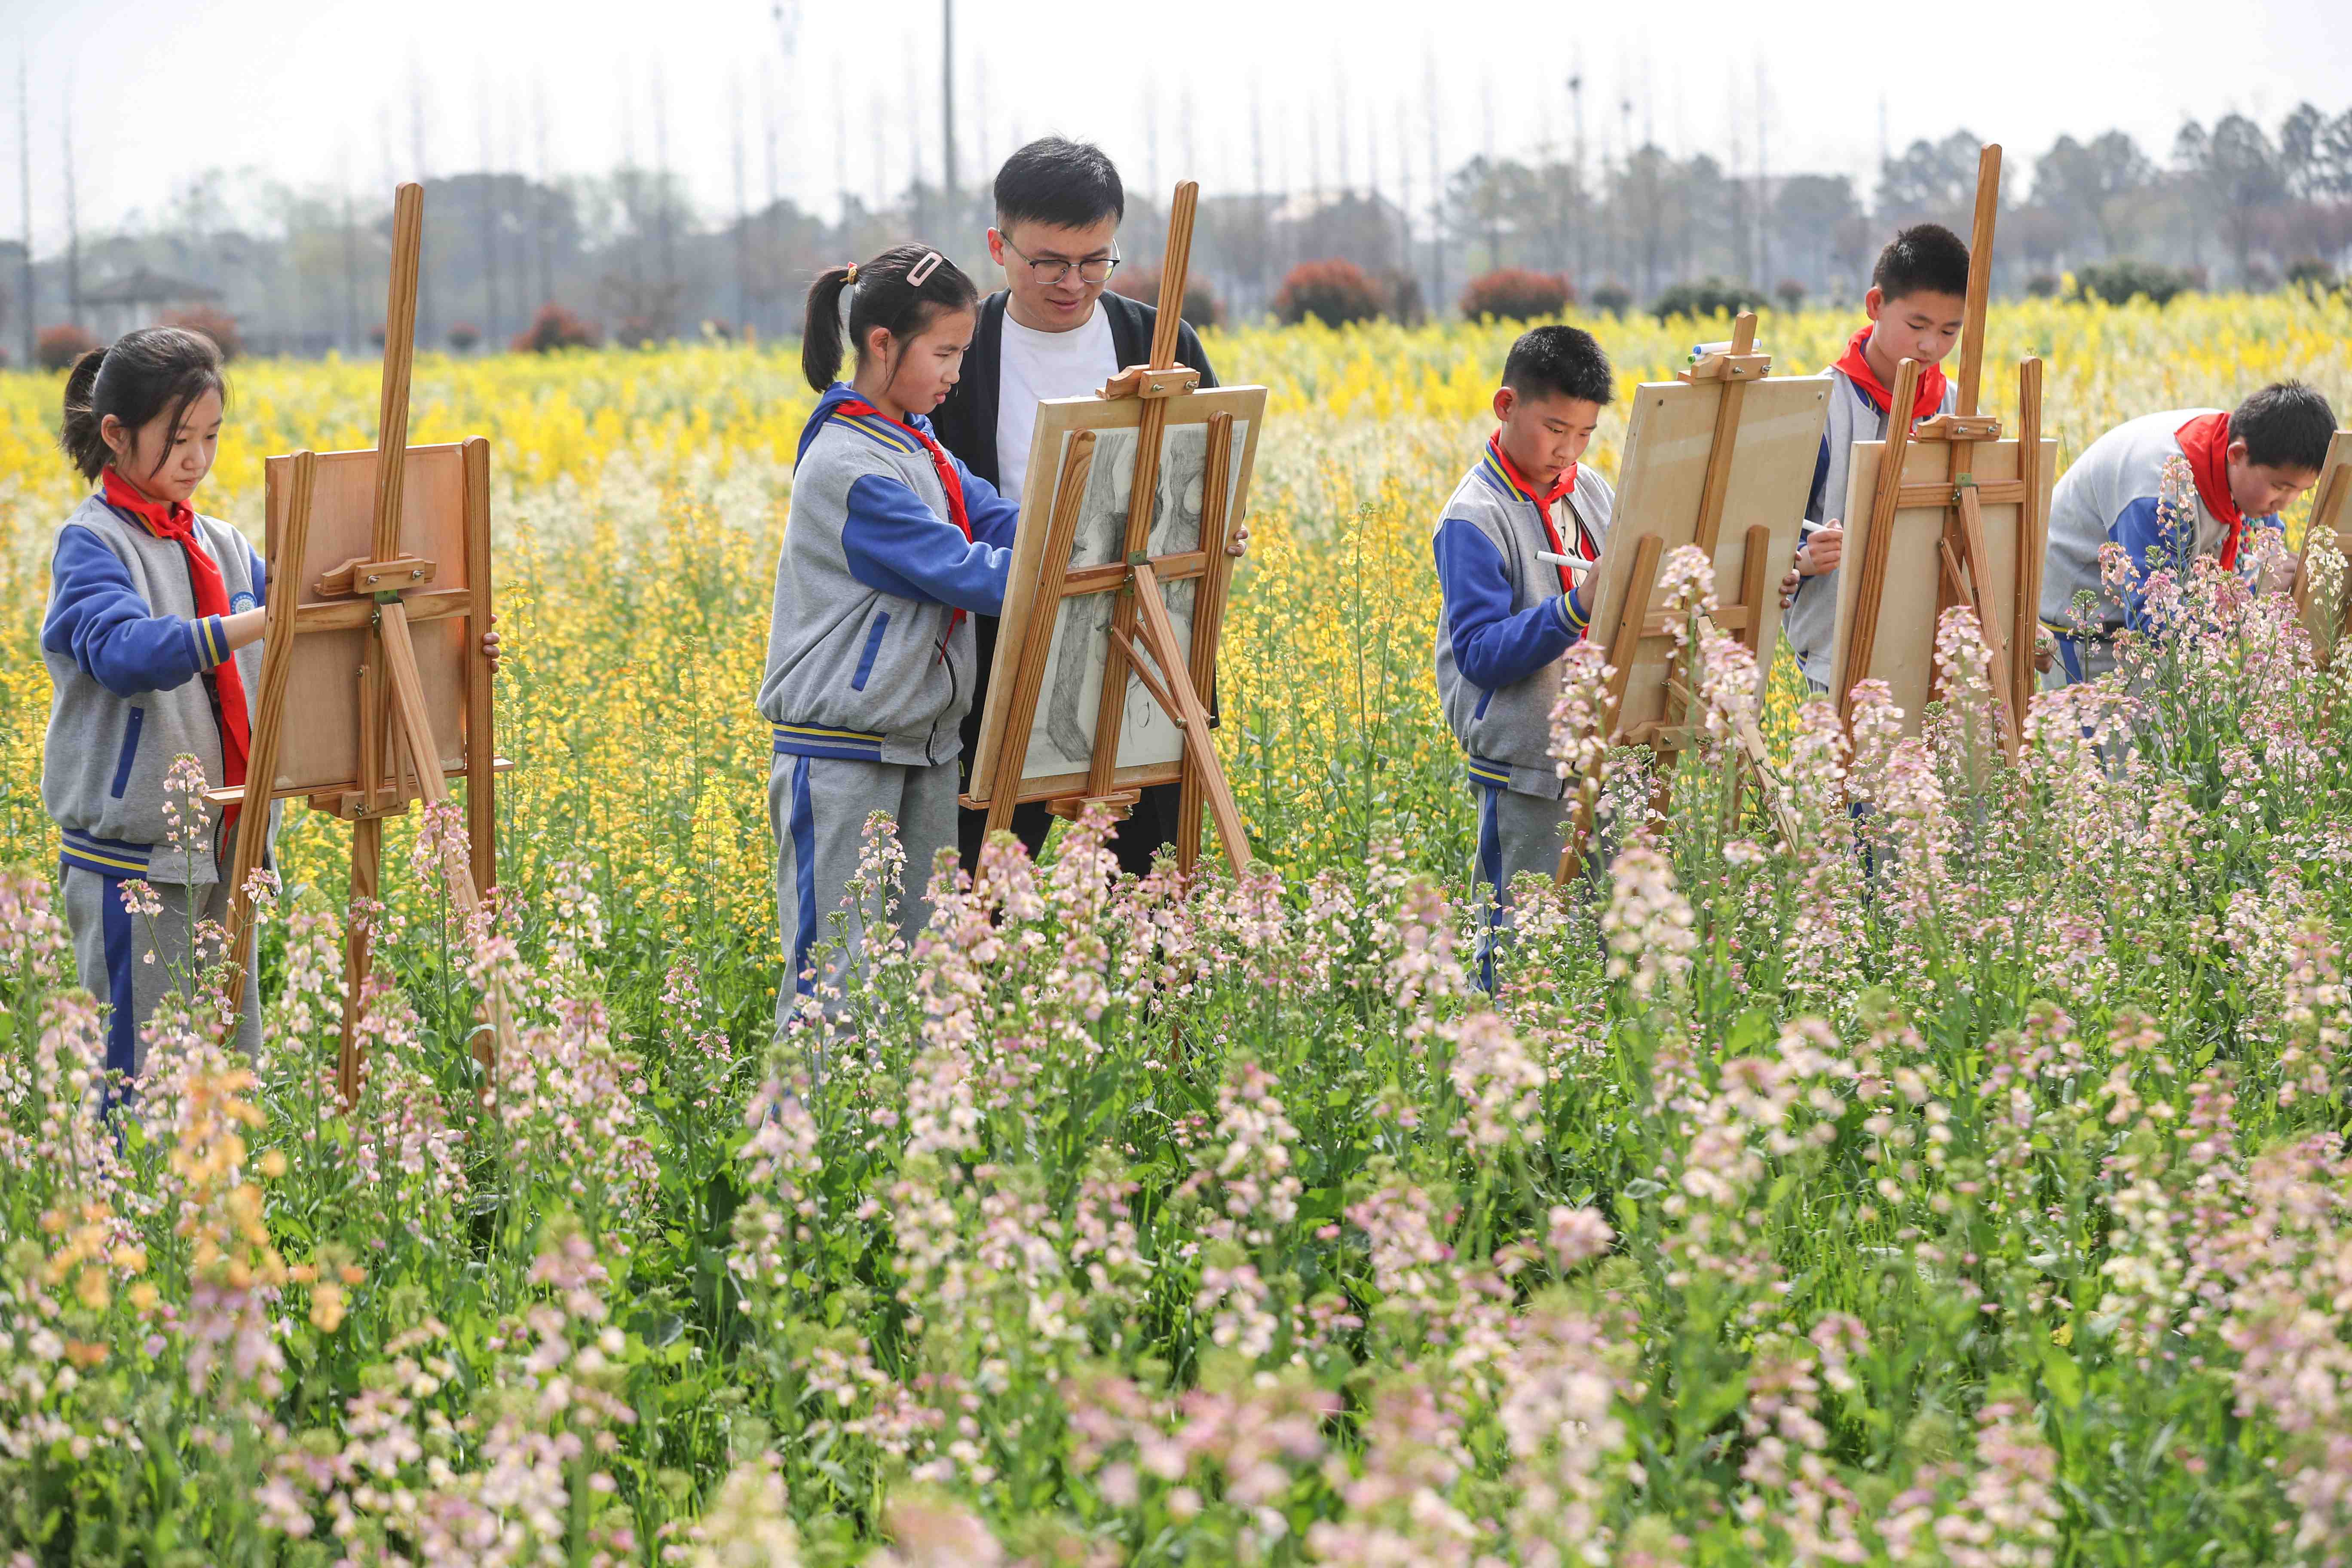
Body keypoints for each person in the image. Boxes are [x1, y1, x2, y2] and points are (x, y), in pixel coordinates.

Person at [41, 327, 499, 1084]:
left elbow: (320, 638)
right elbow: (126, 653)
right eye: (177, 437)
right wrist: (266, 617)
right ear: (116, 435)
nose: (197, 458)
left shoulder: (223, 544)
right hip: (134, 856)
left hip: (230, 844)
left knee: (228, 1070)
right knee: (140, 1077)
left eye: (212, 437)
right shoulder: (92, 545)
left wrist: (450, 648)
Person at [930, 135, 1237, 879]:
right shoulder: (961, 351)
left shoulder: (1159, 341)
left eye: (1095, 259)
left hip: (1144, 646)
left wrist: (1218, 529)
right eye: (1048, 262)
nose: (1073, 282)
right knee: (986, 881)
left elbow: (1212, 480)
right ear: (998, 246)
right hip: (1004, 648)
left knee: (1158, 880)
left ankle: (1157, 999)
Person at [758, 243, 1023, 1028]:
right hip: (841, 753)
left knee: (921, 979)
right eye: (943, 352)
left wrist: (1097, 525)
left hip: (921, 745)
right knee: (831, 984)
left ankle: (896, 1146)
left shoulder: (918, 444)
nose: (955, 372)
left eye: (962, 353)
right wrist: (1067, 568)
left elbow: (995, 517)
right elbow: (965, 569)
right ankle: (793, 1147)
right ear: (881, 343)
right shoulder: (850, 464)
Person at [1432, 325, 1615, 988]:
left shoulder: (1589, 490)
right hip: (1525, 763)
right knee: (1518, 942)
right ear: (1506, 406)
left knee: (1606, 935)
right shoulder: (1473, 517)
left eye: (1585, 434)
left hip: (1602, 752)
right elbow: (1480, 655)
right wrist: (1576, 610)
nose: (1567, 450)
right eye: (1555, 428)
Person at [2040, 382, 2337, 683]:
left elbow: (2261, 569)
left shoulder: (2253, 461)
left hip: (2162, 635)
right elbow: (2153, 627)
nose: (2285, 505)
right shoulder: (2160, 494)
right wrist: (2251, 593)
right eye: (2280, 488)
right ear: (2237, 455)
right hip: (2086, 632)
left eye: (2301, 491)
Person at [1779, 224, 1969, 692]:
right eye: (1918, 326)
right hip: (1839, 655)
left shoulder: (1961, 410)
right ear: (1876, 305)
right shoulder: (1819, 410)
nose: (1932, 347)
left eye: (1950, 331)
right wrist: (1804, 559)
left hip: (1938, 652)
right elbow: (1757, 546)